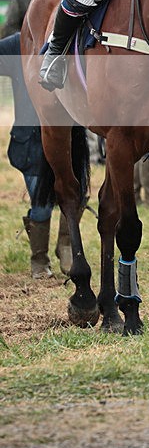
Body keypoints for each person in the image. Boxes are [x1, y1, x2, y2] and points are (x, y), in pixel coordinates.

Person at [0, 33, 72, 278]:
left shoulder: (73, 35)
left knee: (75, 197)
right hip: (30, 141)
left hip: (70, 138)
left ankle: (67, 249)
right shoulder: (17, 44)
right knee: (41, 206)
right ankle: (39, 261)